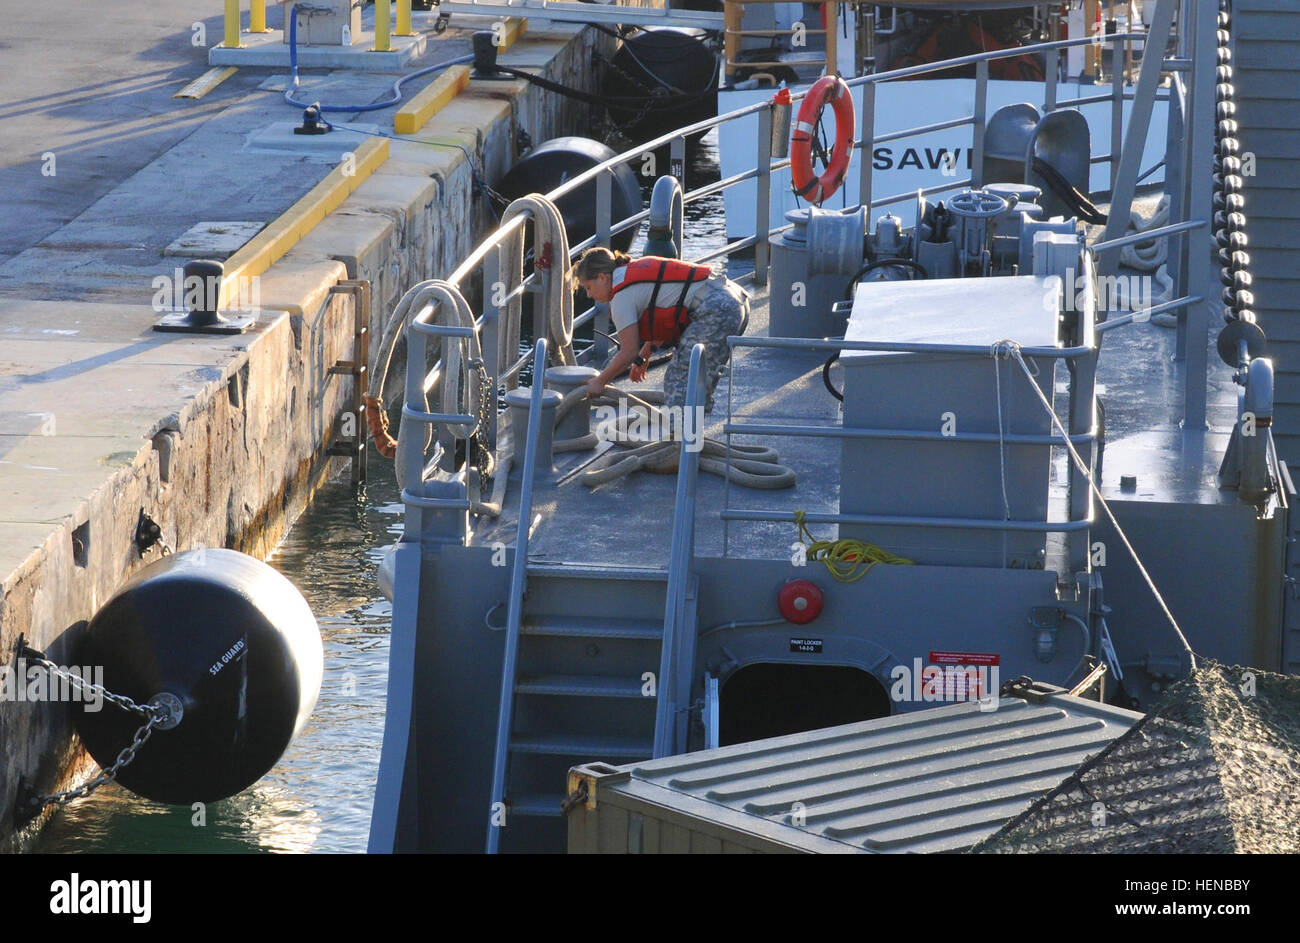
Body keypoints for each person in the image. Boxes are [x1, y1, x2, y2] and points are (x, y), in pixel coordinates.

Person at [572, 247, 749, 413]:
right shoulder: (628, 273)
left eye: (588, 287)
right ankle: (691, 435)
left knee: (678, 381)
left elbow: (628, 351)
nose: (589, 295)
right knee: (696, 380)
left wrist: (599, 382)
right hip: (734, 299)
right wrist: (644, 357)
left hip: (717, 310)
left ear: (602, 277)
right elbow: (665, 313)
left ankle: (680, 440)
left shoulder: (620, 297)